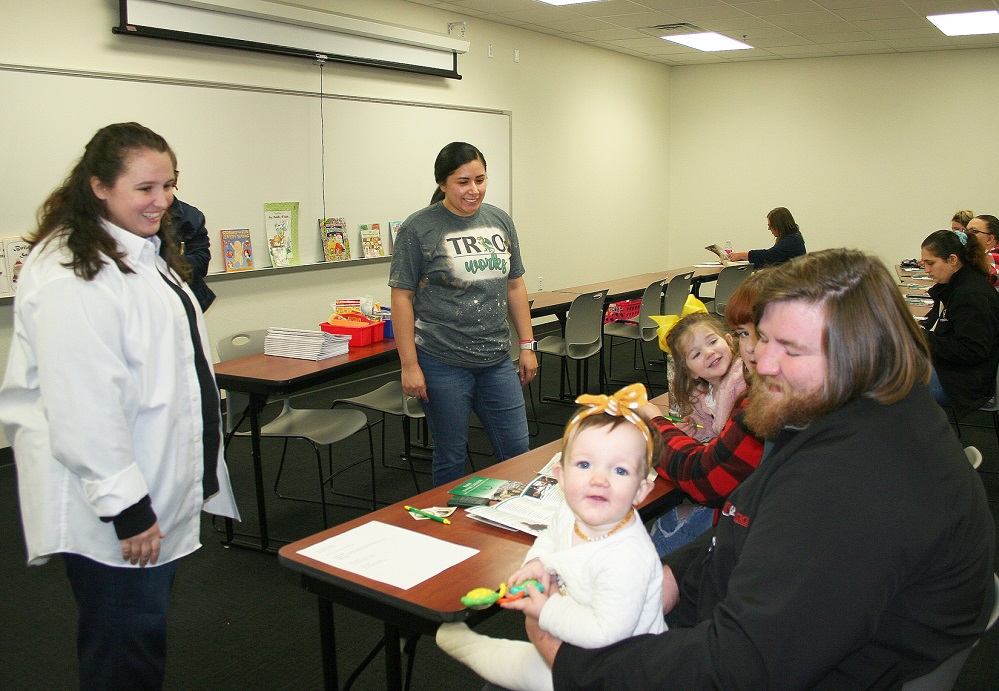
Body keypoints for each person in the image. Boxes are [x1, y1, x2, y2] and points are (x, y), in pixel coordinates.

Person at [529, 249, 996, 689]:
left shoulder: (852, 484)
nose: (762, 362)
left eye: (790, 348)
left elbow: (741, 667)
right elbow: (737, 532)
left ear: (860, 351)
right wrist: (663, 581)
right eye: (763, 338)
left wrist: (574, 666)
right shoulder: (849, 408)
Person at [0, 122, 240, 690]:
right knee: (122, 649)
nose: (162, 201)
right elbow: (82, 404)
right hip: (114, 500)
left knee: (140, 638)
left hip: (153, 475)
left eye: (169, 185)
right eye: (145, 188)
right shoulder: (72, 269)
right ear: (99, 187)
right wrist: (127, 507)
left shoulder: (140, 252)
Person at [436, 383, 665, 691]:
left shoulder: (627, 557)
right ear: (561, 476)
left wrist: (545, 610)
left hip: (623, 667)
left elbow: (605, 632)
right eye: (584, 465)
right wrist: (538, 564)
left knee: (530, 672)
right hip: (576, 632)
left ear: (641, 490)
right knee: (525, 667)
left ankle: (474, 649)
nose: (599, 480)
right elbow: (549, 536)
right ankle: (475, 649)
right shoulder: (572, 511)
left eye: (620, 471)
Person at [389, 142, 535, 486]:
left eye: (480, 179)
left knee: (518, 450)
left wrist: (527, 344)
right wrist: (410, 365)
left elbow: (514, 285)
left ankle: (513, 521)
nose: (474, 190)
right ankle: (445, 528)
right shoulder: (418, 228)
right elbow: (401, 297)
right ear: (443, 183)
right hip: (442, 362)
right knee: (451, 454)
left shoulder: (500, 220)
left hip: (497, 359)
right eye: (463, 181)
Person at [643, 272, 768, 556]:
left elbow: (706, 475)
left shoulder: (747, 390)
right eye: (744, 334)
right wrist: (693, 433)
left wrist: (655, 423)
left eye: (759, 334)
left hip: (745, 514)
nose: (750, 347)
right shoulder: (710, 392)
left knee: (664, 529)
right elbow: (716, 438)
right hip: (747, 506)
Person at [919, 229, 999, 417]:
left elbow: (972, 350)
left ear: (953, 260)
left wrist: (923, 338)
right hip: (953, 371)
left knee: (890, 388)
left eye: (931, 263)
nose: (927, 270)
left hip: (963, 382)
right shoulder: (955, 286)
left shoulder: (972, 296)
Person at [168, 170, 216, 312]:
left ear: (175, 183)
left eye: (166, 186)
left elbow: (201, 263)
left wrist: (166, 261)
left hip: (185, 301)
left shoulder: (191, 217)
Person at [727, 206, 806, 267]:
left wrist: (741, 255)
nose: (769, 229)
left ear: (779, 225)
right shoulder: (793, 238)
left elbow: (769, 256)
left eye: (771, 226)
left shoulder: (792, 240)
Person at [966, 214, 999, 285]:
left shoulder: (992, 256)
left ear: (990, 239)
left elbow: (985, 277)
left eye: (974, 231)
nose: (967, 235)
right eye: (966, 231)